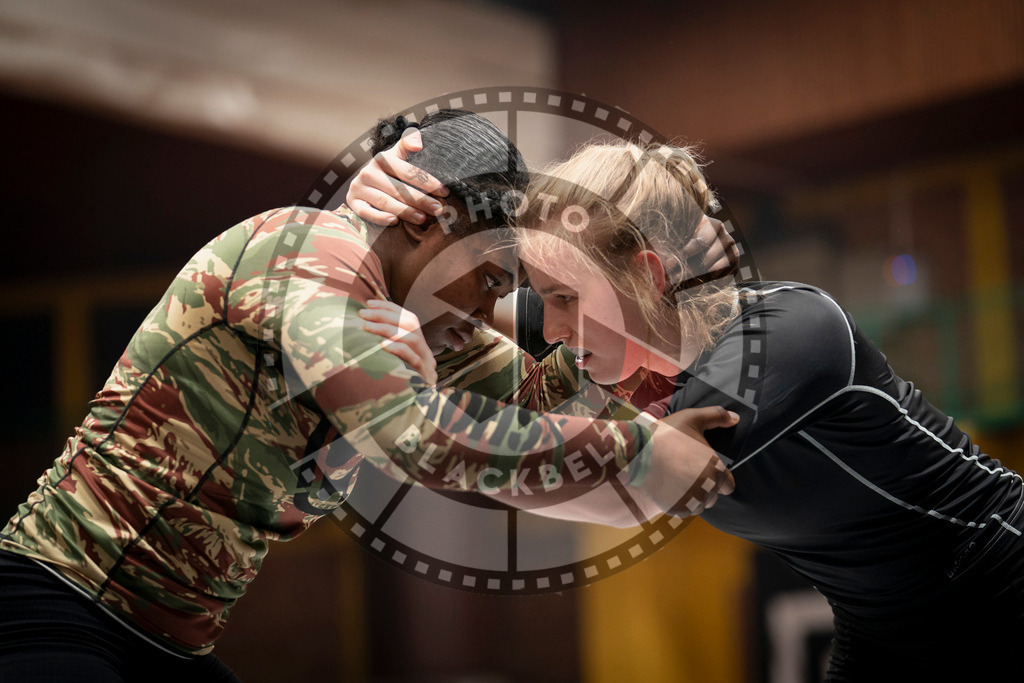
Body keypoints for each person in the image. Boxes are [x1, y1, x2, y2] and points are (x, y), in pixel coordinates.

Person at [0, 110, 736, 682]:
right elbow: (415, 436)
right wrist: (649, 451)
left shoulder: (423, 321)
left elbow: (547, 400)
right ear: (426, 219)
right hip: (56, 602)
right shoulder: (308, 252)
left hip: (166, 643)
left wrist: (641, 304)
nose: (487, 314)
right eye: (489, 279)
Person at [354, 134, 1024, 680]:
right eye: (542, 295)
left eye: (564, 297)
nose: (548, 325)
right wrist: (388, 198)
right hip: (881, 629)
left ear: (646, 275)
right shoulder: (605, 331)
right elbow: (437, 289)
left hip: (1001, 581)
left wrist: (424, 436)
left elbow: (622, 482)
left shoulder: (786, 336)